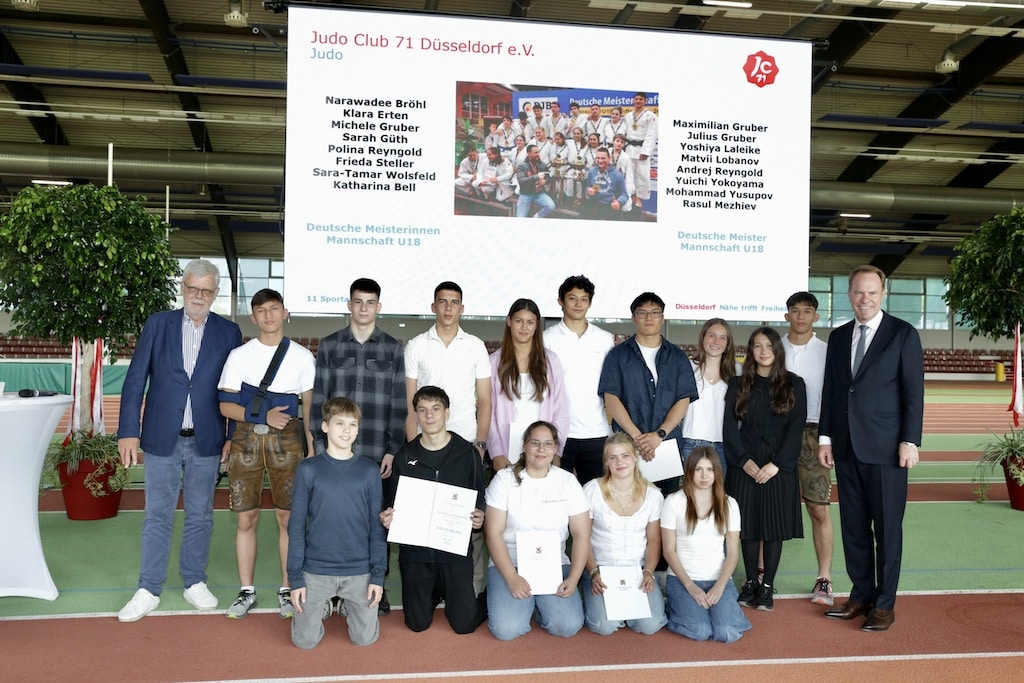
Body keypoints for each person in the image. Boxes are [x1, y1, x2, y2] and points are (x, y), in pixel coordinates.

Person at [116, 259, 242, 623]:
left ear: (215, 293)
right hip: (161, 438)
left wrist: (232, 436)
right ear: (183, 288)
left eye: (207, 290)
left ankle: (194, 581)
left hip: (208, 439)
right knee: (157, 515)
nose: (199, 296)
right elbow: (135, 380)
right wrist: (128, 431)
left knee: (201, 516)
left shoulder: (229, 332)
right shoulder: (158, 324)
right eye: (193, 288)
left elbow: (235, 389)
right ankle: (149, 588)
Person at [818, 265, 923, 632]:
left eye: (872, 292)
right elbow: (833, 390)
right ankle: (860, 596)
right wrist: (826, 438)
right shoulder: (839, 336)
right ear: (850, 294)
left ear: (883, 294)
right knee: (854, 528)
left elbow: (913, 393)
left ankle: (884, 604)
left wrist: (910, 441)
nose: (865, 299)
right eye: (859, 292)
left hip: (887, 450)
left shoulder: (903, 334)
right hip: (846, 447)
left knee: (888, 530)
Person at [218, 288, 315, 619]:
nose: (269, 315)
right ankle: (247, 590)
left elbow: (310, 410)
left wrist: (313, 449)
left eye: (275, 309)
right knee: (246, 517)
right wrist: (263, 417)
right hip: (246, 438)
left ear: (285, 312)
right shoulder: (239, 356)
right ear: (253, 316)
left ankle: (287, 589)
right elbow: (226, 405)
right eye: (262, 310)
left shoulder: (303, 357)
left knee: (287, 518)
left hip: (288, 440)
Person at [311, 277, 405, 614]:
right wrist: (320, 447)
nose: (363, 308)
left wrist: (393, 449)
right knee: (334, 520)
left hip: (377, 454)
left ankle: (375, 588)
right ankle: (333, 592)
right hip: (334, 455)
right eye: (358, 301)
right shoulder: (330, 345)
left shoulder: (393, 348)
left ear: (379, 307)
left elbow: (398, 404)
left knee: (376, 521)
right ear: (349, 305)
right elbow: (319, 399)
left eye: (370, 302)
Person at [403, 281, 492, 596]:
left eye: (455, 302)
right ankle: (432, 588)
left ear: (462, 308)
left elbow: (485, 399)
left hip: (465, 443)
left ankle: (472, 588)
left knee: (470, 520)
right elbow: (410, 401)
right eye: (443, 301)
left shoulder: (476, 346)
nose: (449, 307)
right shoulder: (416, 345)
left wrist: (480, 443)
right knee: (428, 517)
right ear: (433, 307)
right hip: (426, 446)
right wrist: (413, 449)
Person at [381, 386, 487, 633]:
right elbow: (391, 504)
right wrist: (387, 517)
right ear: (415, 415)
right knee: (417, 624)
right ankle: (436, 591)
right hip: (417, 556)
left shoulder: (468, 454)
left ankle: (489, 597)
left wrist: (479, 515)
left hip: (454, 552)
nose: (429, 416)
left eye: (436, 409)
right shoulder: (404, 457)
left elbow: (478, 496)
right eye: (423, 410)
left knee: (464, 626)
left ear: (447, 413)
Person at [287, 398, 386, 649]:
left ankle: (344, 602)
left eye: (352, 425)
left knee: (364, 639)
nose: (346, 430)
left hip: (358, 570)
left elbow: (376, 529)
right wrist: (296, 579)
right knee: (304, 642)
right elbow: (296, 527)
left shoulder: (368, 471)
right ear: (325, 426)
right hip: (317, 570)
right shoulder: (309, 469)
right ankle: (324, 603)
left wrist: (377, 576)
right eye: (339, 423)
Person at [724, 327, 806, 613]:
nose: (763, 351)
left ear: (777, 349)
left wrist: (776, 465)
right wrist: (743, 461)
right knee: (746, 528)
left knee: (772, 529)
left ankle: (767, 585)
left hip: (777, 468)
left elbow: (796, 430)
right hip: (743, 465)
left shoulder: (794, 384)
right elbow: (728, 429)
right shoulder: (738, 384)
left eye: (768, 345)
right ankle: (749, 582)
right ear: (750, 350)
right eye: (757, 346)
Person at [484, 421, 591, 641]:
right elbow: (493, 533)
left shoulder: (568, 482)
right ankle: (519, 600)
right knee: (506, 629)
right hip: (510, 561)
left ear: (555, 448)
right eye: (535, 443)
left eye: (547, 444)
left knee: (568, 626)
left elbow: (581, 535)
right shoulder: (504, 480)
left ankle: (539, 607)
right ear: (524, 445)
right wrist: (512, 577)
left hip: (553, 563)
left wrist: (573, 577)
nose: (541, 449)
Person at [599, 291, 699, 497]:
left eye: (655, 312)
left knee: (664, 508)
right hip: (627, 447)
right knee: (626, 503)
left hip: (667, 446)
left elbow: (683, 399)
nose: (649, 317)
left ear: (662, 318)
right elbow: (611, 398)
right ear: (633, 319)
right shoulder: (618, 355)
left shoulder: (678, 357)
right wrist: (637, 437)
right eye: (642, 313)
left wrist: (659, 434)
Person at [661, 446, 751, 643]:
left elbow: (733, 553)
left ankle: (718, 611)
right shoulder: (674, 502)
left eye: (710, 469)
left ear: (717, 472)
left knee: (726, 632)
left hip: (718, 579)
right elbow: (668, 550)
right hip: (682, 580)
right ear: (689, 471)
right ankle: (673, 608)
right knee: (700, 631)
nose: (704, 475)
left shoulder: (729, 504)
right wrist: (690, 586)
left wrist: (719, 587)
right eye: (698, 469)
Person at [582, 433, 667, 636]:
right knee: (605, 626)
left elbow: (654, 541)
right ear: (606, 462)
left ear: (635, 457)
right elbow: (582, 538)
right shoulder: (591, 490)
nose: (619, 462)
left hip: (637, 571)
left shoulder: (654, 495)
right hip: (601, 569)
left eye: (625, 456)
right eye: (613, 457)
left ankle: (641, 604)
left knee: (651, 625)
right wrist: (594, 572)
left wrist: (648, 571)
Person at [781, 291, 835, 607]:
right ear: (786, 315)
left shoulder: (828, 352)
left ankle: (824, 578)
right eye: (795, 310)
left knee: (818, 508)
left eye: (807, 311)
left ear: (816, 316)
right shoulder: (774, 349)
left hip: (815, 433)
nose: (800, 316)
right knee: (768, 504)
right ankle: (761, 575)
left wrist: (831, 439)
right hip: (777, 433)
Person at [544, 275, 614, 485]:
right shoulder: (546, 338)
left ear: (590, 303)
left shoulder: (604, 339)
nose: (578, 304)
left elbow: (610, 387)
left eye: (584, 299)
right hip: (557, 432)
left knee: (597, 497)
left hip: (597, 432)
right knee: (555, 494)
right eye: (572, 298)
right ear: (560, 301)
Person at [488, 298, 568, 471]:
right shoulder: (494, 362)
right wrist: (497, 453)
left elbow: (560, 410)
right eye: (519, 321)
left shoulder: (551, 361)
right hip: (506, 448)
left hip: (543, 449)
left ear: (536, 325)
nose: (524, 327)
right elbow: (490, 412)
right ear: (509, 322)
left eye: (530, 322)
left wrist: (556, 451)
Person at [681, 318, 737, 475]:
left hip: (723, 445)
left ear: (727, 344)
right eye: (711, 335)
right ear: (703, 338)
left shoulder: (736, 372)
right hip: (691, 442)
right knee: (693, 495)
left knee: (718, 496)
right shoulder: (688, 368)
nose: (716, 341)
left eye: (722, 337)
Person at [622, 92, 658, 209]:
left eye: (640, 99)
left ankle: (638, 197)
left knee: (642, 175)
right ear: (633, 101)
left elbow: (651, 134)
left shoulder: (650, 116)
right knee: (629, 174)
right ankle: (630, 195)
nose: (638, 101)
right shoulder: (628, 116)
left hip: (641, 149)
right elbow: (623, 130)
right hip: (629, 148)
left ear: (645, 101)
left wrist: (645, 151)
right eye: (636, 99)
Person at [583, 147, 628, 220]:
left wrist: (619, 202)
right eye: (598, 158)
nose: (600, 161)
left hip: (610, 205)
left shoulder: (618, 175)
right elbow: (588, 186)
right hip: (594, 204)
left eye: (603, 158)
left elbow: (624, 194)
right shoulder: (592, 171)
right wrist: (589, 190)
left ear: (609, 158)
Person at [514, 144, 556, 218]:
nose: (538, 154)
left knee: (551, 206)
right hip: (526, 194)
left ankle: (536, 218)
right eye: (535, 153)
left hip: (539, 193)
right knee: (520, 218)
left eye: (538, 152)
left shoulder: (542, 164)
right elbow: (521, 181)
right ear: (529, 153)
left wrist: (545, 182)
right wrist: (536, 177)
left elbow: (549, 178)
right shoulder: (522, 165)